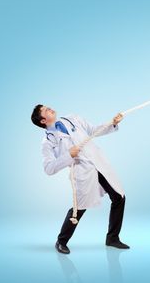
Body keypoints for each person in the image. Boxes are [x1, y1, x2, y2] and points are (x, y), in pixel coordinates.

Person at [31, 104, 130, 254]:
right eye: (45, 110)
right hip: (82, 170)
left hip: (98, 163)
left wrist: (113, 122)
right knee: (79, 209)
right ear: (43, 120)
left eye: (47, 107)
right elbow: (49, 168)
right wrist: (68, 155)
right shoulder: (47, 142)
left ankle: (112, 238)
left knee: (119, 197)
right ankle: (61, 241)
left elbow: (94, 130)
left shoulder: (72, 119)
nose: (49, 108)